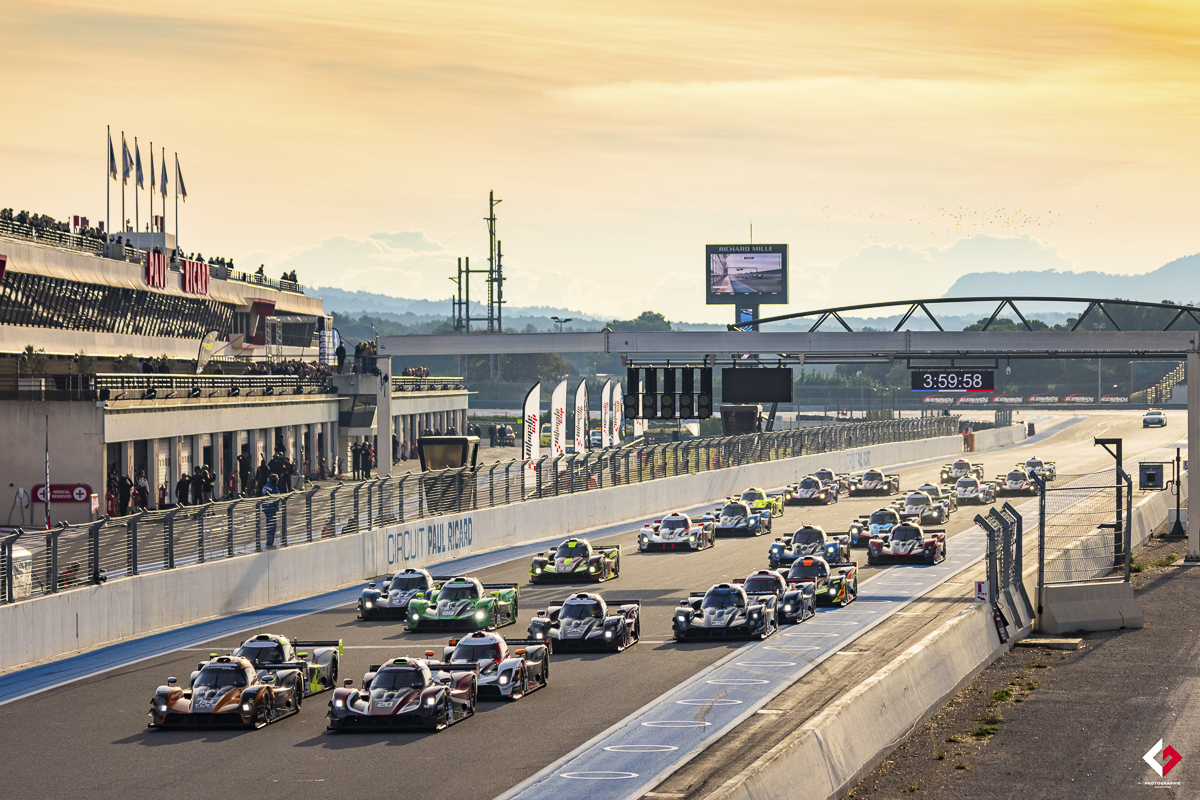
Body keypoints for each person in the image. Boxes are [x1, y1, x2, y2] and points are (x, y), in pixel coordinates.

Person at [261, 473, 280, 548]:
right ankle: (269, 543)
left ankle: (270, 542)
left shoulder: (268, 486)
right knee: (271, 526)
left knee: (272, 525)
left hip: (268, 507)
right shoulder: (272, 487)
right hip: (270, 508)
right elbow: (275, 497)